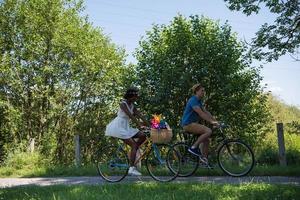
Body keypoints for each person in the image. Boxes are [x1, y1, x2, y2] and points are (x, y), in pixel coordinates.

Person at [105, 87, 150, 176]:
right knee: (133, 144)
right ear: (130, 96)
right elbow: (131, 116)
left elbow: (140, 115)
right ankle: (131, 168)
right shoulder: (123, 104)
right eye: (135, 97)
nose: (136, 99)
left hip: (126, 127)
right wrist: (139, 124)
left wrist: (150, 125)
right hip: (118, 127)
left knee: (143, 135)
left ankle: (134, 151)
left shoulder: (132, 106)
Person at [181, 83, 219, 164]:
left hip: (192, 124)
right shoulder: (193, 100)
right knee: (208, 131)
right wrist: (212, 122)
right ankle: (193, 147)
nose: (203, 92)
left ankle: (204, 160)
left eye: (204, 91)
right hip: (188, 124)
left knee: (206, 141)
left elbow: (206, 112)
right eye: (202, 91)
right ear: (197, 91)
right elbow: (201, 114)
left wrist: (215, 121)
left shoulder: (199, 101)